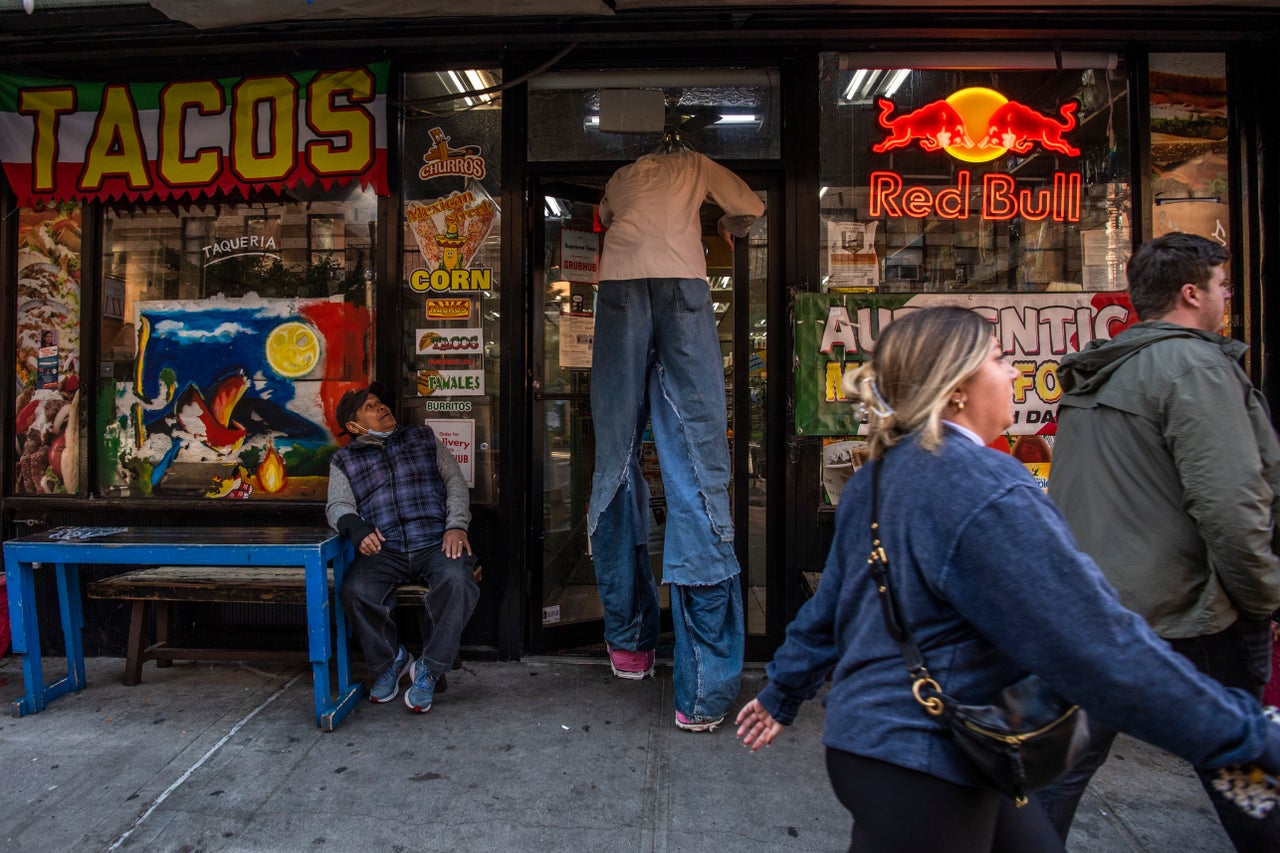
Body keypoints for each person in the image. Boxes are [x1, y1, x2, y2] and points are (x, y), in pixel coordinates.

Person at [734, 306, 1280, 852]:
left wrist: (784, 691)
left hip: (890, 749)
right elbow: (1096, 643)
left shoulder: (878, 477)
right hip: (928, 761)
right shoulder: (983, 484)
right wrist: (1246, 735)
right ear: (957, 390)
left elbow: (829, 610)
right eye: (998, 359)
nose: (1016, 372)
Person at [1034, 232, 1280, 847]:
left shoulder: (1100, 371)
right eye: (1223, 285)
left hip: (1096, 607)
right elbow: (1231, 504)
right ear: (1192, 293)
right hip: (1187, 615)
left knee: (1054, 770)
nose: (1228, 297)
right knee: (1237, 759)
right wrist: (1262, 598)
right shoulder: (1194, 367)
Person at [588, 143, 764, 732]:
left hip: (617, 284)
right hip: (685, 282)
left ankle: (630, 647)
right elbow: (752, 206)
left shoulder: (618, 174)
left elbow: (609, 218)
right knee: (697, 471)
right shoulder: (696, 163)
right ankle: (702, 694)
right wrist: (724, 224)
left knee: (614, 461)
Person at [326, 382, 480, 714]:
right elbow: (337, 506)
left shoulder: (422, 438)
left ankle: (429, 667)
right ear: (353, 426)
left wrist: (456, 525)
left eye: (380, 402)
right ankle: (392, 660)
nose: (381, 407)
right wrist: (356, 529)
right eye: (370, 406)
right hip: (386, 548)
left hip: (434, 541)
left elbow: (454, 480)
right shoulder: (344, 460)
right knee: (355, 591)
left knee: (458, 581)